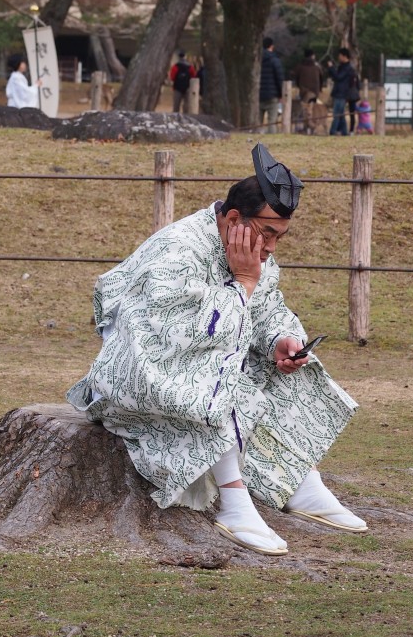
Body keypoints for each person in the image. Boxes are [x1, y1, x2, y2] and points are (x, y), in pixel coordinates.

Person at [67, 143, 367, 557]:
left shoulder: (248, 247)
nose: (272, 248)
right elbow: (180, 340)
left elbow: (266, 309)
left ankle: (299, 480)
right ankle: (233, 500)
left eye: (280, 237)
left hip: (183, 364)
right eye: (268, 234)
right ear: (232, 218)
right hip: (137, 375)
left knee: (282, 367)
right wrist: (242, 283)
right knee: (219, 376)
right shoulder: (176, 252)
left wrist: (280, 340)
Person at [327, 48, 357, 137]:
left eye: (340, 56)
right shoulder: (342, 66)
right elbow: (335, 77)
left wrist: (331, 67)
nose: (338, 57)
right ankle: (344, 132)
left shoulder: (347, 68)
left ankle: (333, 131)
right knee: (341, 114)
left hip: (342, 93)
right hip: (339, 93)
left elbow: (339, 77)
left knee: (337, 113)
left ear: (344, 56)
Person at [294, 49, 324, 135]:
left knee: (304, 111)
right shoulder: (317, 66)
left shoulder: (300, 66)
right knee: (312, 111)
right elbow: (321, 78)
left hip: (304, 92)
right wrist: (320, 89)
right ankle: (312, 129)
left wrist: (300, 87)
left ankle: (306, 128)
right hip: (314, 92)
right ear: (312, 56)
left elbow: (296, 78)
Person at [259, 37, 284, 134]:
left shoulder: (257, 59)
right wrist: (281, 94)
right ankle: (272, 139)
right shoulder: (275, 60)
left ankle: (257, 139)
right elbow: (279, 78)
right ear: (272, 46)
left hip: (259, 94)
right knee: (272, 121)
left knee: (258, 121)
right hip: (272, 95)